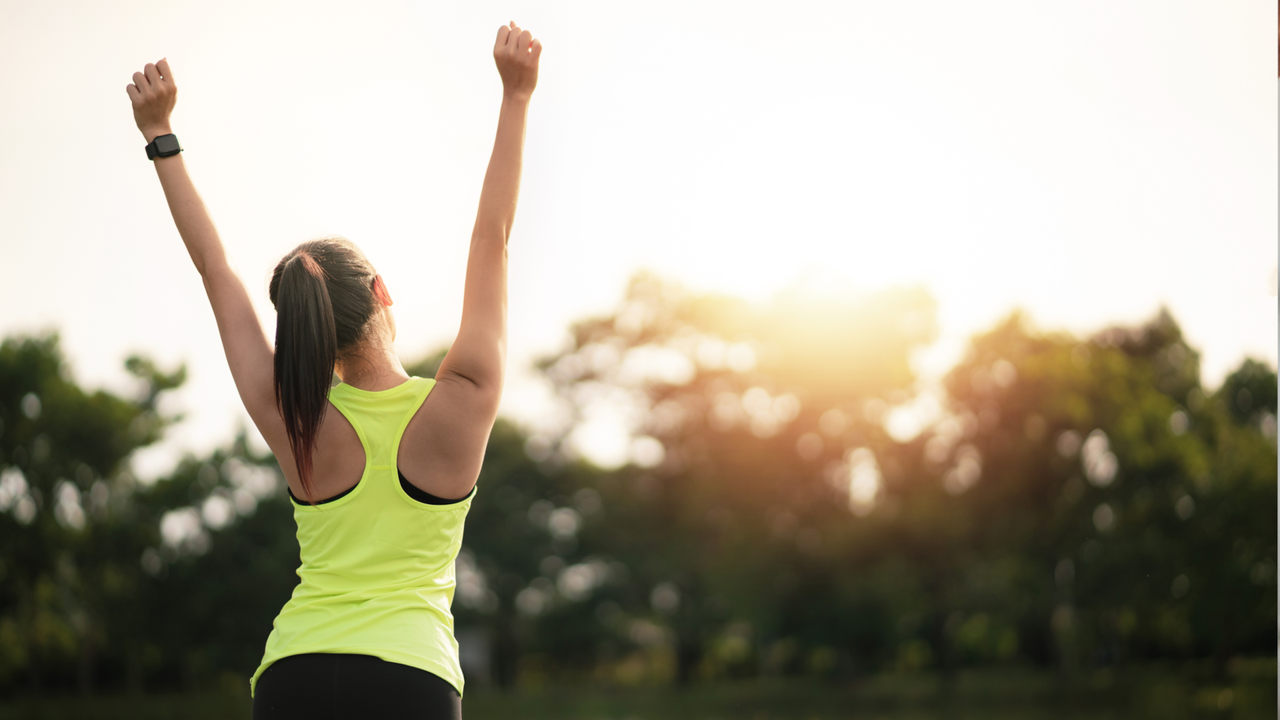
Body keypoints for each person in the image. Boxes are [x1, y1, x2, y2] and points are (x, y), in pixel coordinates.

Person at [127, 21, 542, 719]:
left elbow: (214, 270)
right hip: (410, 676)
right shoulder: (463, 398)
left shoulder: (292, 415)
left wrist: (160, 134)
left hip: (296, 671)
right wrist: (517, 96)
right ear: (381, 291)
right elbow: (492, 239)